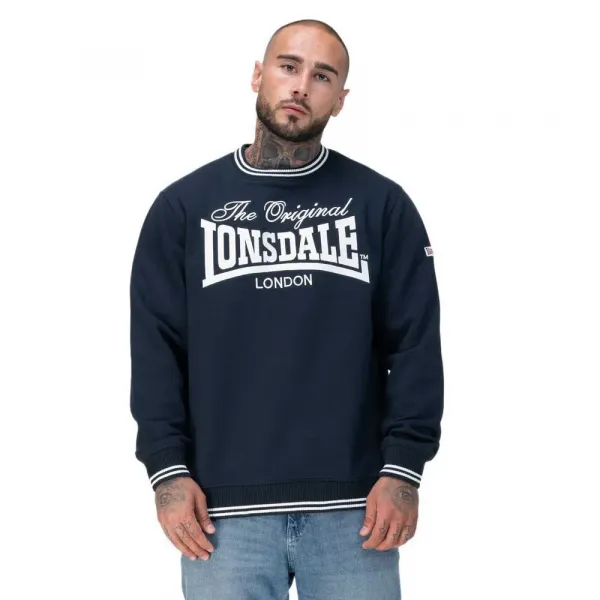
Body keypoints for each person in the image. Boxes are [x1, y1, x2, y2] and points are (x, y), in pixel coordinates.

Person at [129, 17, 444, 600]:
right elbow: (156, 350)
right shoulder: (183, 208)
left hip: (357, 511)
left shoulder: (381, 205)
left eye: (323, 76)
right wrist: (167, 471)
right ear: (258, 75)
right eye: (288, 66)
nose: (301, 85)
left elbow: (415, 345)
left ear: (340, 99)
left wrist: (404, 469)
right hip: (220, 515)